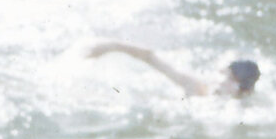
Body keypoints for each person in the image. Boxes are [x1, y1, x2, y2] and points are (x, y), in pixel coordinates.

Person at [86, 41, 259, 98]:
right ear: (222, 73)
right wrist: (109, 47)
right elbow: (149, 57)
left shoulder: (248, 107)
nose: (231, 86)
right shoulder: (195, 85)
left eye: (238, 85)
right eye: (229, 78)